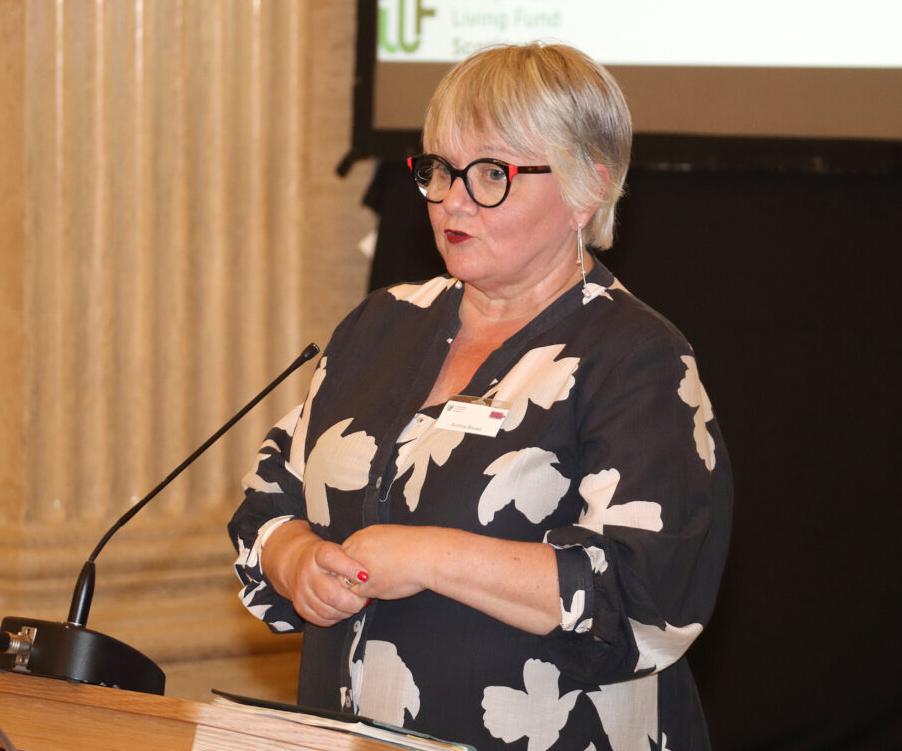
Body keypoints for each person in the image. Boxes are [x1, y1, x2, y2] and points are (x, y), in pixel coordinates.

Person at [229, 42, 732, 751]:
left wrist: (430, 557)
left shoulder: (635, 359)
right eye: (439, 168)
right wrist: (295, 560)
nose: (453, 199)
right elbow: (265, 505)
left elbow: (645, 594)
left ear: (587, 188)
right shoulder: (383, 324)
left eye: (492, 172)